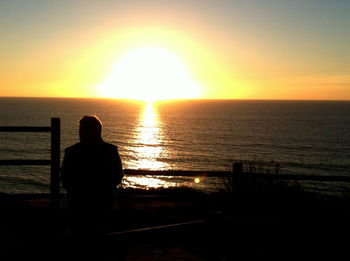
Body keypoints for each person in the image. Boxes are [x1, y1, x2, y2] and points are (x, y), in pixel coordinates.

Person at [61, 115, 123, 242]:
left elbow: (65, 180)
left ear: (84, 131)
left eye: (81, 130)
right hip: (105, 202)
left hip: (78, 204)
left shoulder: (71, 152)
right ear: (99, 131)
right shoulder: (111, 150)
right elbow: (118, 177)